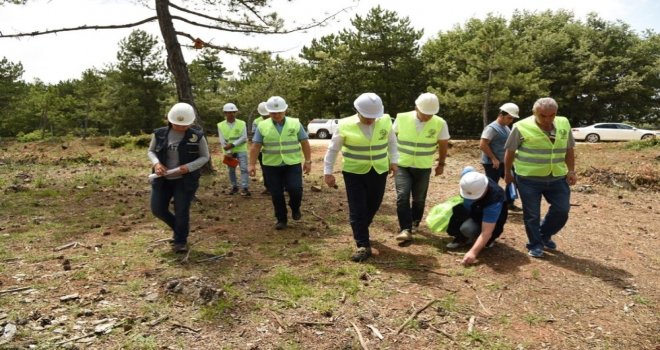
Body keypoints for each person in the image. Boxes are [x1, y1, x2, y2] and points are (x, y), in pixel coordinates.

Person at [323, 92, 398, 262]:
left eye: (374, 117)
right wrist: (328, 172)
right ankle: (363, 244)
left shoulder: (385, 120)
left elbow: (392, 142)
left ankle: (361, 228)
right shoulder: (344, 124)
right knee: (357, 208)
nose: (371, 120)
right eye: (367, 116)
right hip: (354, 173)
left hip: (379, 170)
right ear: (358, 111)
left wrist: (394, 161)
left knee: (373, 204)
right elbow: (333, 149)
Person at [503, 97, 577, 258]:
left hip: (557, 176)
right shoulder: (520, 126)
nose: (548, 119)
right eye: (543, 115)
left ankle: (544, 234)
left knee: (562, 210)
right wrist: (508, 173)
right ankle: (535, 244)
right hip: (529, 179)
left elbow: (569, 148)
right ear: (534, 112)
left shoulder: (564, 123)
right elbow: (509, 152)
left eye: (552, 115)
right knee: (532, 214)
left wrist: (571, 171)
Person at [148, 102, 209, 253]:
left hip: (185, 181)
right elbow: (151, 151)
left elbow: (205, 157)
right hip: (162, 179)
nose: (181, 128)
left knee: (182, 210)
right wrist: (157, 164)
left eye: (184, 125)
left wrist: (188, 167)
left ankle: (180, 240)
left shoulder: (197, 137)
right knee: (157, 209)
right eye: (177, 125)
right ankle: (179, 228)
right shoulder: (160, 134)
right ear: (170, 120)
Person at [248, 96, 312, 230]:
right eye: (273, 113)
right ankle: (281, 219)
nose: (276, 115)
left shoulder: (295, 123)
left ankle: (295, 207)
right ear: (268, 112)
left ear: (285, 110)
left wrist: (308, 161)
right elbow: (256, 146)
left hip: (292, 164)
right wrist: (252, 164)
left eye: (279, 112)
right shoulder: (262, 126)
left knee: (295, 189)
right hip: (271, 165)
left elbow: (305, 142)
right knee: (276, 194)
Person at [393, 92, 449, 243]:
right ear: (416, 107)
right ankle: (405, 228)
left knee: (419, 199)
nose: (427, 117)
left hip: (423, 167)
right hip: (402, 165)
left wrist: (441, 164)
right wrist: (390, 161)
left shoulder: (440, 123)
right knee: (402, 196)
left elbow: (443, 144)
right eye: (425, 113)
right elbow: (391, 139)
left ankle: (414, 222)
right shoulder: (402, 118)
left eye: (431, 114)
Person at [446, 169, 508, 265]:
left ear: (485, 189)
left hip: (486, 218)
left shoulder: (494, 201)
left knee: (468, 229)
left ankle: (487, 241)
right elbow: (468, 169)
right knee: (457, 213)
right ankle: (462, 238)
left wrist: (473, 252)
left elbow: (486, 232)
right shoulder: (469, 176)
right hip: (473, 209)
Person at [479, 103, 521, 211]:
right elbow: (483, 145)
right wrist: (493, 158)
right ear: (501, 115)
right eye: (509, 118)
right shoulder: (492, 128)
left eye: (512, 118)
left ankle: (508, 203)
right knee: (493, 186)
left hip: (505, 162)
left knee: (514, 179)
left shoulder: (506, 127)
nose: (511, 120)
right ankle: (489, 207)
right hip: (492, 163)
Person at [217, 102, 250, 196]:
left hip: (241, 149)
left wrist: (232, 145)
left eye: (233, 112)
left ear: (235, 113)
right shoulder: (220, 125)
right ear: (225, 113)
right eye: (228, 112)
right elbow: (222, 140)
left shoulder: (242, 123)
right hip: (228, 151)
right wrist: (228, 151)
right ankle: (234, 186)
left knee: (244, 168)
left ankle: (245, 187)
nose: (231, 114)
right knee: (231, 169)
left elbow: (244, 137)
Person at [251, 102, 271, 195]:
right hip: (262, 150)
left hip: (275, 150)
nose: (265, 117)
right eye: (263, 116)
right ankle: (268, 187)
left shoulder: (276, 119)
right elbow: (255, 137)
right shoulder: (256, 121)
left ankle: (283, 187)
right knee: (265, 169)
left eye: (266, 115)